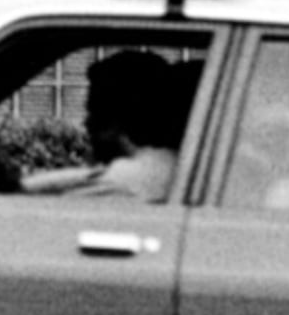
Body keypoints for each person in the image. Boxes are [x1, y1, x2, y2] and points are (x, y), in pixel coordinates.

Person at [27, 52, 195, 204]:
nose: (86, 123)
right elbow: (91, 174)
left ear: (115, 121)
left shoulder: (125, 181)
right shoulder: (171, 164)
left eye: (93, 113)